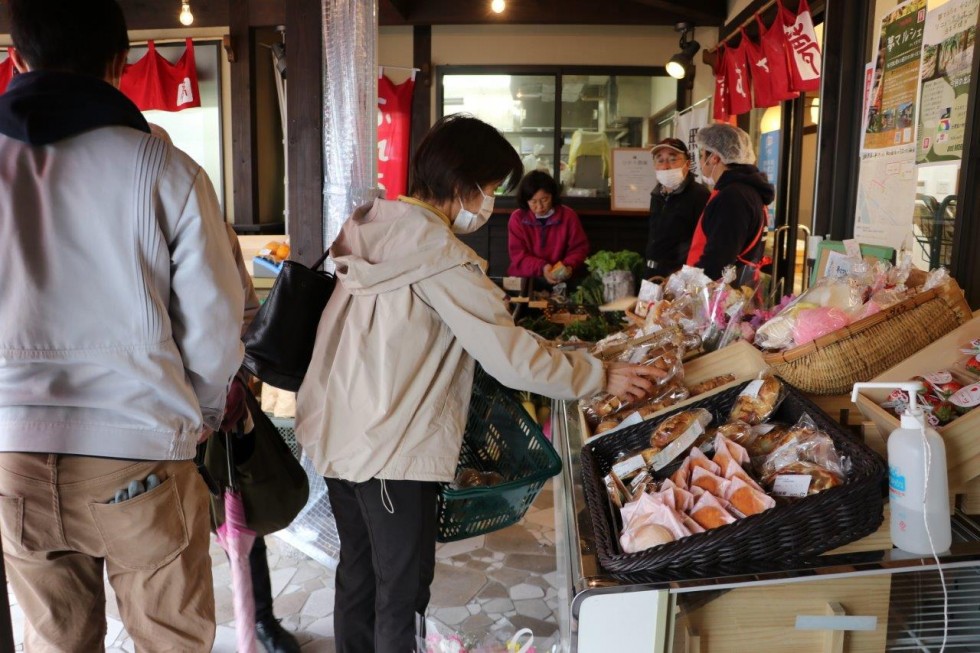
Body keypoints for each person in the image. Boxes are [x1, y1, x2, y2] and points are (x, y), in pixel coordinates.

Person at [295, 114, 661, 653]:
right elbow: (509, 356)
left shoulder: (376, 228)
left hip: (341, 431)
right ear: (462, 184)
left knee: (360, 574)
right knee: (399, 590)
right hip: (389, 446)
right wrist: (599, 374)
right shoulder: (438, 255)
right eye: (490, 189)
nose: (490, 202)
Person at [0, 1, 245, 650]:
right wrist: (202, 409)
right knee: (170, 640)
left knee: (55, 643)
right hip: (140, 451)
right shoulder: (164, 168)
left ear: (18, 59)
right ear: (120, 63)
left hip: (13, 454)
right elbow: (217, 324)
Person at [687, 122, 775, 282]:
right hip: (737, 290)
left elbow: (717, 260)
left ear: (714, 157)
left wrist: (689, 288)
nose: (700, 162)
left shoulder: (733, 197)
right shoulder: (745, 190)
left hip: (720, 297)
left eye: (702, 155)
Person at [507, 170, 590, 285]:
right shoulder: (517, 218)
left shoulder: (568, 216)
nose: (539, 207)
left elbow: (579, 249)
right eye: (533, 202)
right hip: (525, 278)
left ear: (552, 195)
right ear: (526, 201)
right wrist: (543, 267)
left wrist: (568, 266)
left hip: (561, 279)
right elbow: (518, 255)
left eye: (544, 200)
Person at [645, 137, 711, 278]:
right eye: (660, 160)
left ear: (687, 164)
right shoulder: (657, 195)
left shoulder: (700, 195)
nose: (666, 166)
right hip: (652, 274)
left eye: (673, 159)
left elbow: (705, 242)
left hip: (680, 278)